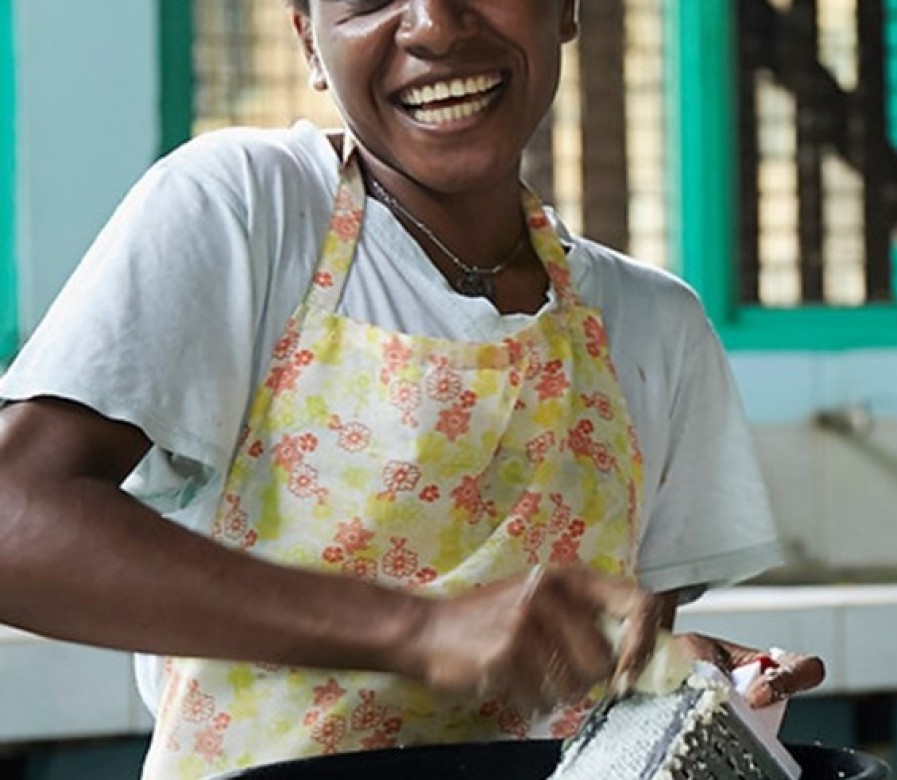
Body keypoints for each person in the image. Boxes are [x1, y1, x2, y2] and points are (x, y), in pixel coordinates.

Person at [0, 0, 823, 776]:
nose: (434, 25)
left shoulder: (651, 327)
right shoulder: (250, 209)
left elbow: (590, 670)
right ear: (306, 37)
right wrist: (418, 629)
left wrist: (682, 686)